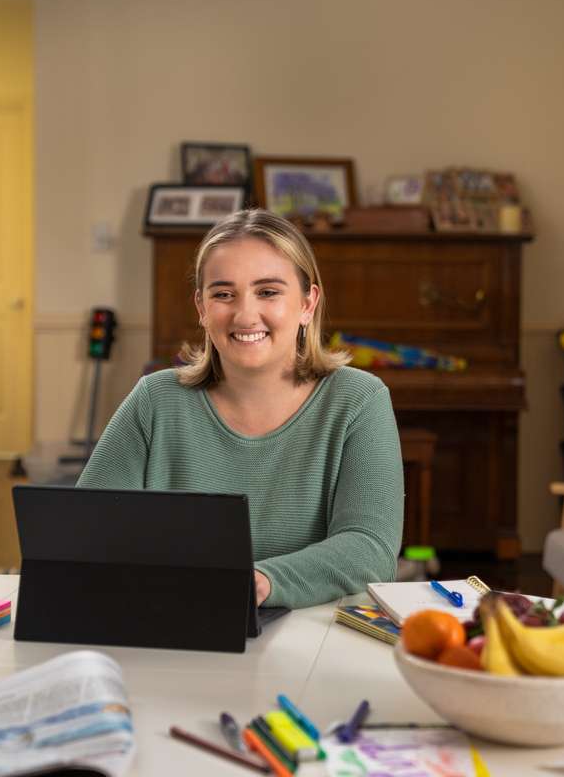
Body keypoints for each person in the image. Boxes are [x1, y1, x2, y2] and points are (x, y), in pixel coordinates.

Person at [78, 209, 403, 608]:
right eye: (223, 294)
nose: (245, 314)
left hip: (310, 640)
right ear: (201, 306)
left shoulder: (359, 399)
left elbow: (370, 548)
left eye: (268, 292)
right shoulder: (154, 400)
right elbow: (84, 534)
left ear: (307, 303)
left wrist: (263, 581)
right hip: (176, 623)